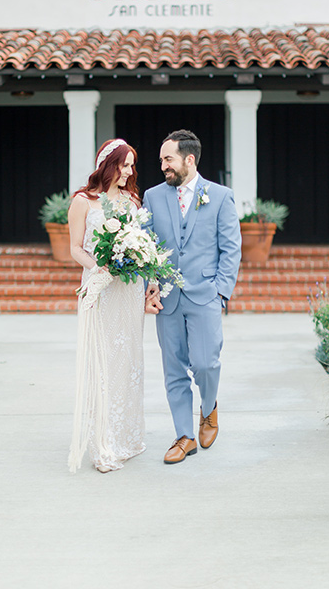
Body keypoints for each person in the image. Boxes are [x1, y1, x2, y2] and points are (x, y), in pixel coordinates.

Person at [144, 129, 241, 465]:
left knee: (205, 363)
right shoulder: (153, 197)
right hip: (167, 298)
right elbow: (145, 247)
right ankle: (184, 436)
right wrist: (150, 285)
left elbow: (231, 249)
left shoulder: (221, 196)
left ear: (189, 159)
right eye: (161, 161)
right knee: (173, 369)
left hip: (205, 296)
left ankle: (209, 407)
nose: (163, 167)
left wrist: (220, 293)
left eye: (167, 159)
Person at [68, 139, 145, 473]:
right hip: (101, 289)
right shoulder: (83, 201)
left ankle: (125, 436)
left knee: (128, 363)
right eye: (124, 165)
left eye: (131, 165)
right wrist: (98, 267)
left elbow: (140, 243)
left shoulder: (131, 200)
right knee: (104, 364)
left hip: (128, 291)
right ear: (109, 165)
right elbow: (74, 248)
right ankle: (103, 443)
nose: (129, 172)